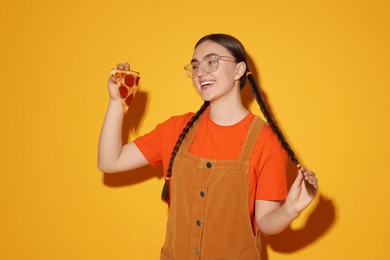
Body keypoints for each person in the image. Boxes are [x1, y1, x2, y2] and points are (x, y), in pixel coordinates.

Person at [98, 33, 318, 259]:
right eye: (195, 66)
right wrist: (117, 102)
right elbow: (109, 161)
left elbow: (266, 222)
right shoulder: (176, 129)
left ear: (239, 70)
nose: (200, 72)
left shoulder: (265, 141)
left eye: (212, 62)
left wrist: (291, 209)